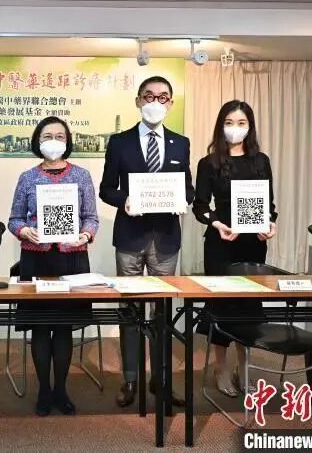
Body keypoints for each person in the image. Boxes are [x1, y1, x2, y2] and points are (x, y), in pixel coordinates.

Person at [99, 76, 194, 408]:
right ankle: (130, 378)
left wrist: (184, 199)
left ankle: (161, 379)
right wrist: (125, 200)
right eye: (149, 96)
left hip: (166, 238)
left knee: (162, 312)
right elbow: (106, 189)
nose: (156, 102)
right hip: (130, 236)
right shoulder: (119, 142)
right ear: (138, 101)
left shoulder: (180, 143)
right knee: (130, 310)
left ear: (170, 103)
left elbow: (188, 187)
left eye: (163, 97)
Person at [8, 116, 99, 416]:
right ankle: (44, 390)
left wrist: (85, 235)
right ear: (38, 140)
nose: (54, 141)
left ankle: (61, 388)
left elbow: (91, 218)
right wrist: (24, 231)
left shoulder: (82, 176)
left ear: (68, 141)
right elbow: (14, 219)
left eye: (60, 136)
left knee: (62, 327)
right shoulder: (27, 177)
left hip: (71, 260)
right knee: (40, 326)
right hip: (37, 259)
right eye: (48, 136)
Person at [192, 100, 277, 396]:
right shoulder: (209, 163)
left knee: (249, 307)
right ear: (221, 126)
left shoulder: (261, 160)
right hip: (221, 243)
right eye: (229, 123)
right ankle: (221, 367)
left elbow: (269, 204)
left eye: (241, 123)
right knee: (222, 305)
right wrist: (216, 223)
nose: (235, 128)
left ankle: (245, 367)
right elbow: (200, 206)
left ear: (250, 127)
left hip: (253, 244)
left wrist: (270, 224)